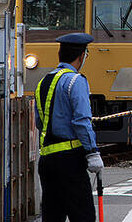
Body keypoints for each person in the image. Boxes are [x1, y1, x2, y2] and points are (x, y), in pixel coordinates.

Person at [35, 32, 103, 222]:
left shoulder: (43, 82)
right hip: (71, 162)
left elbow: (39, 123)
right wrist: (92, 152)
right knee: (83, 216)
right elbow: (82, 121)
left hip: (47, 161)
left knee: (52, 216)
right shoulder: (76, 81)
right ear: (81, 56)